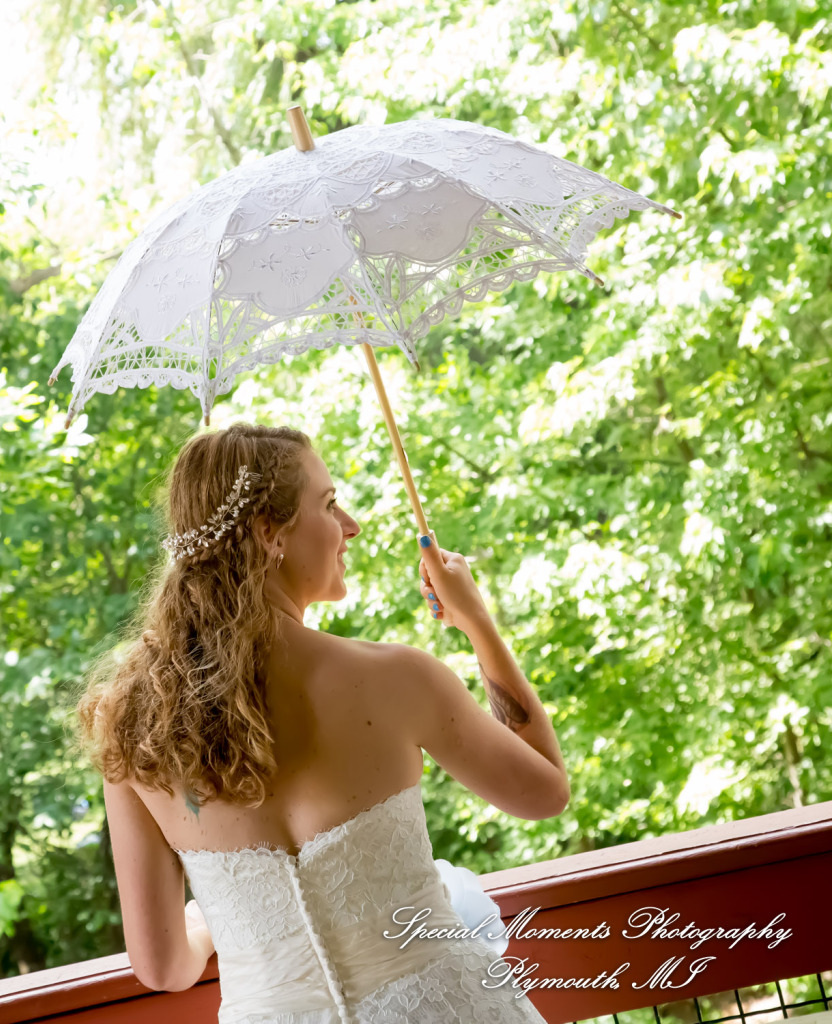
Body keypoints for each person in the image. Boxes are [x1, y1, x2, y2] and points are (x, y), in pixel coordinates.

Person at [72, 422, 568, 1023]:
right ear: (268, 532)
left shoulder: (133, 725)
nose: (351, 525)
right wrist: (477, 623)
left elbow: (162, 968)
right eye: (329, 504)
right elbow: (544, 791)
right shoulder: (397, 678)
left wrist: (217, 916)